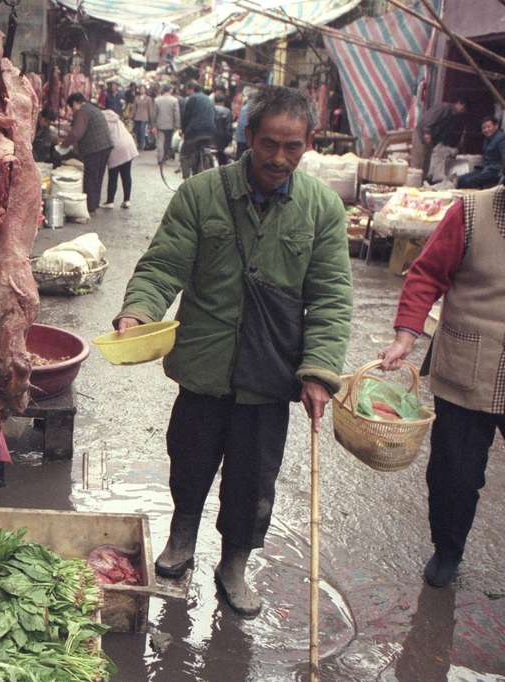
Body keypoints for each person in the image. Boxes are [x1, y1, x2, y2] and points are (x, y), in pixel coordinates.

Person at [113, 85, 352, 618]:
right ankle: (181, 537)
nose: (279, 158)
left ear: (309, 143)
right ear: (248, 137)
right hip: (204, 367)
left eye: (293, 146)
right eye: (269, 143)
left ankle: (234, 564)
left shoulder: (321, 209)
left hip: (270, 373)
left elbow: (332, 297)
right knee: (189, 463)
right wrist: (139, 312)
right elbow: (162, 265)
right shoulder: (201, 194)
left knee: (252, 484)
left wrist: (319, 371)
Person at [379, 183, 505, 588]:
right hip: (469, 366)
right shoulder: (470, 212)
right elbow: (426, 275)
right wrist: (406, 335)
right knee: (456, 472)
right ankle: (448, 549)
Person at [62, 92, 113, 214]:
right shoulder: (92, 108)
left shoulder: (82, 111)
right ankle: (94, 203)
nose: (72, 111)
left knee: (91, 177)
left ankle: (89, 206)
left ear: (75, 103)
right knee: (98, 177)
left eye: (71, 107)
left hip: (94, 148)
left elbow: (76, 133)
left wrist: (63, 145)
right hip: (105, 146)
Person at [411, 98, 466, 176]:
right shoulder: (444, 107)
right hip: (422, 134)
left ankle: (421, 184)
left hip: (431, 139)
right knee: (417, 163)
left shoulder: (453, 115)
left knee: (426, 164)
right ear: (460, 104)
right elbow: (430, 118)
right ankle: (412, 184)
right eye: (464, 109)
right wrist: (427, 132)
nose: (463, 111)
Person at [179, 81, 216, 178]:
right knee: (204, 148)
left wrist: (183, 131)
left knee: (184, 154)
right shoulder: (208, 99)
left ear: (192, 89)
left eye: (188, 90)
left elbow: (186, 117)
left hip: (195, 130)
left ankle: (186, 180)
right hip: (210, 131)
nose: (187, 93)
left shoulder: (192, 98)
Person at [102, 108, 138, 209]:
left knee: (113, 175)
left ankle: (110, 201)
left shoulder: (102, 120)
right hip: (127, 143)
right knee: (126, 174)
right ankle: (127, 200)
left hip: (116, 146)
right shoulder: (116, 118)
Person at [456, 116, 504, 189]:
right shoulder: (487, 139)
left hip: (496, 171)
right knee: (460, 179)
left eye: (488, 127)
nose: (486, 130)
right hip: (485, 169)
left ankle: (474, 199)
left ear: (496, 126)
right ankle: (462, 199)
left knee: (468, 181)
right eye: (484, 128)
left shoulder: (501, 139)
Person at [152, 83, 180, 166]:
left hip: (160, 124)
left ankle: (160, 159)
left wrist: (153, 124)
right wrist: (177, 125)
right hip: (170, 125)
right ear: (170, 90)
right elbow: (176, 114)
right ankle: (164, 157)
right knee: (167, 142)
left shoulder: (157, 100)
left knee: (160, 142)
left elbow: (154, 114)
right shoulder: (174, 100)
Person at [214, 94, 233, 166]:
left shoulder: (210, 109)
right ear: (223, 102)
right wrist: (229, 140)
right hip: (222, 141)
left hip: (210, 139)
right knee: (222, 161)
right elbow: (228, 128)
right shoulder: (227, 111)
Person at [132, 85, 153, 151]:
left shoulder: (148, 98)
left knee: (142, 131)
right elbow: (134, 108)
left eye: (143, 89)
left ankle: (142, 145)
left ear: (145, 90)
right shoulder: (136, 98)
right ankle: (138, 143)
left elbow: (150, 109)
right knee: (137, 132)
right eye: (140, 89)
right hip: (137, 117)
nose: (142, 90)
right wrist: (133, 116)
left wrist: (151, 120)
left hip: (145, 117)